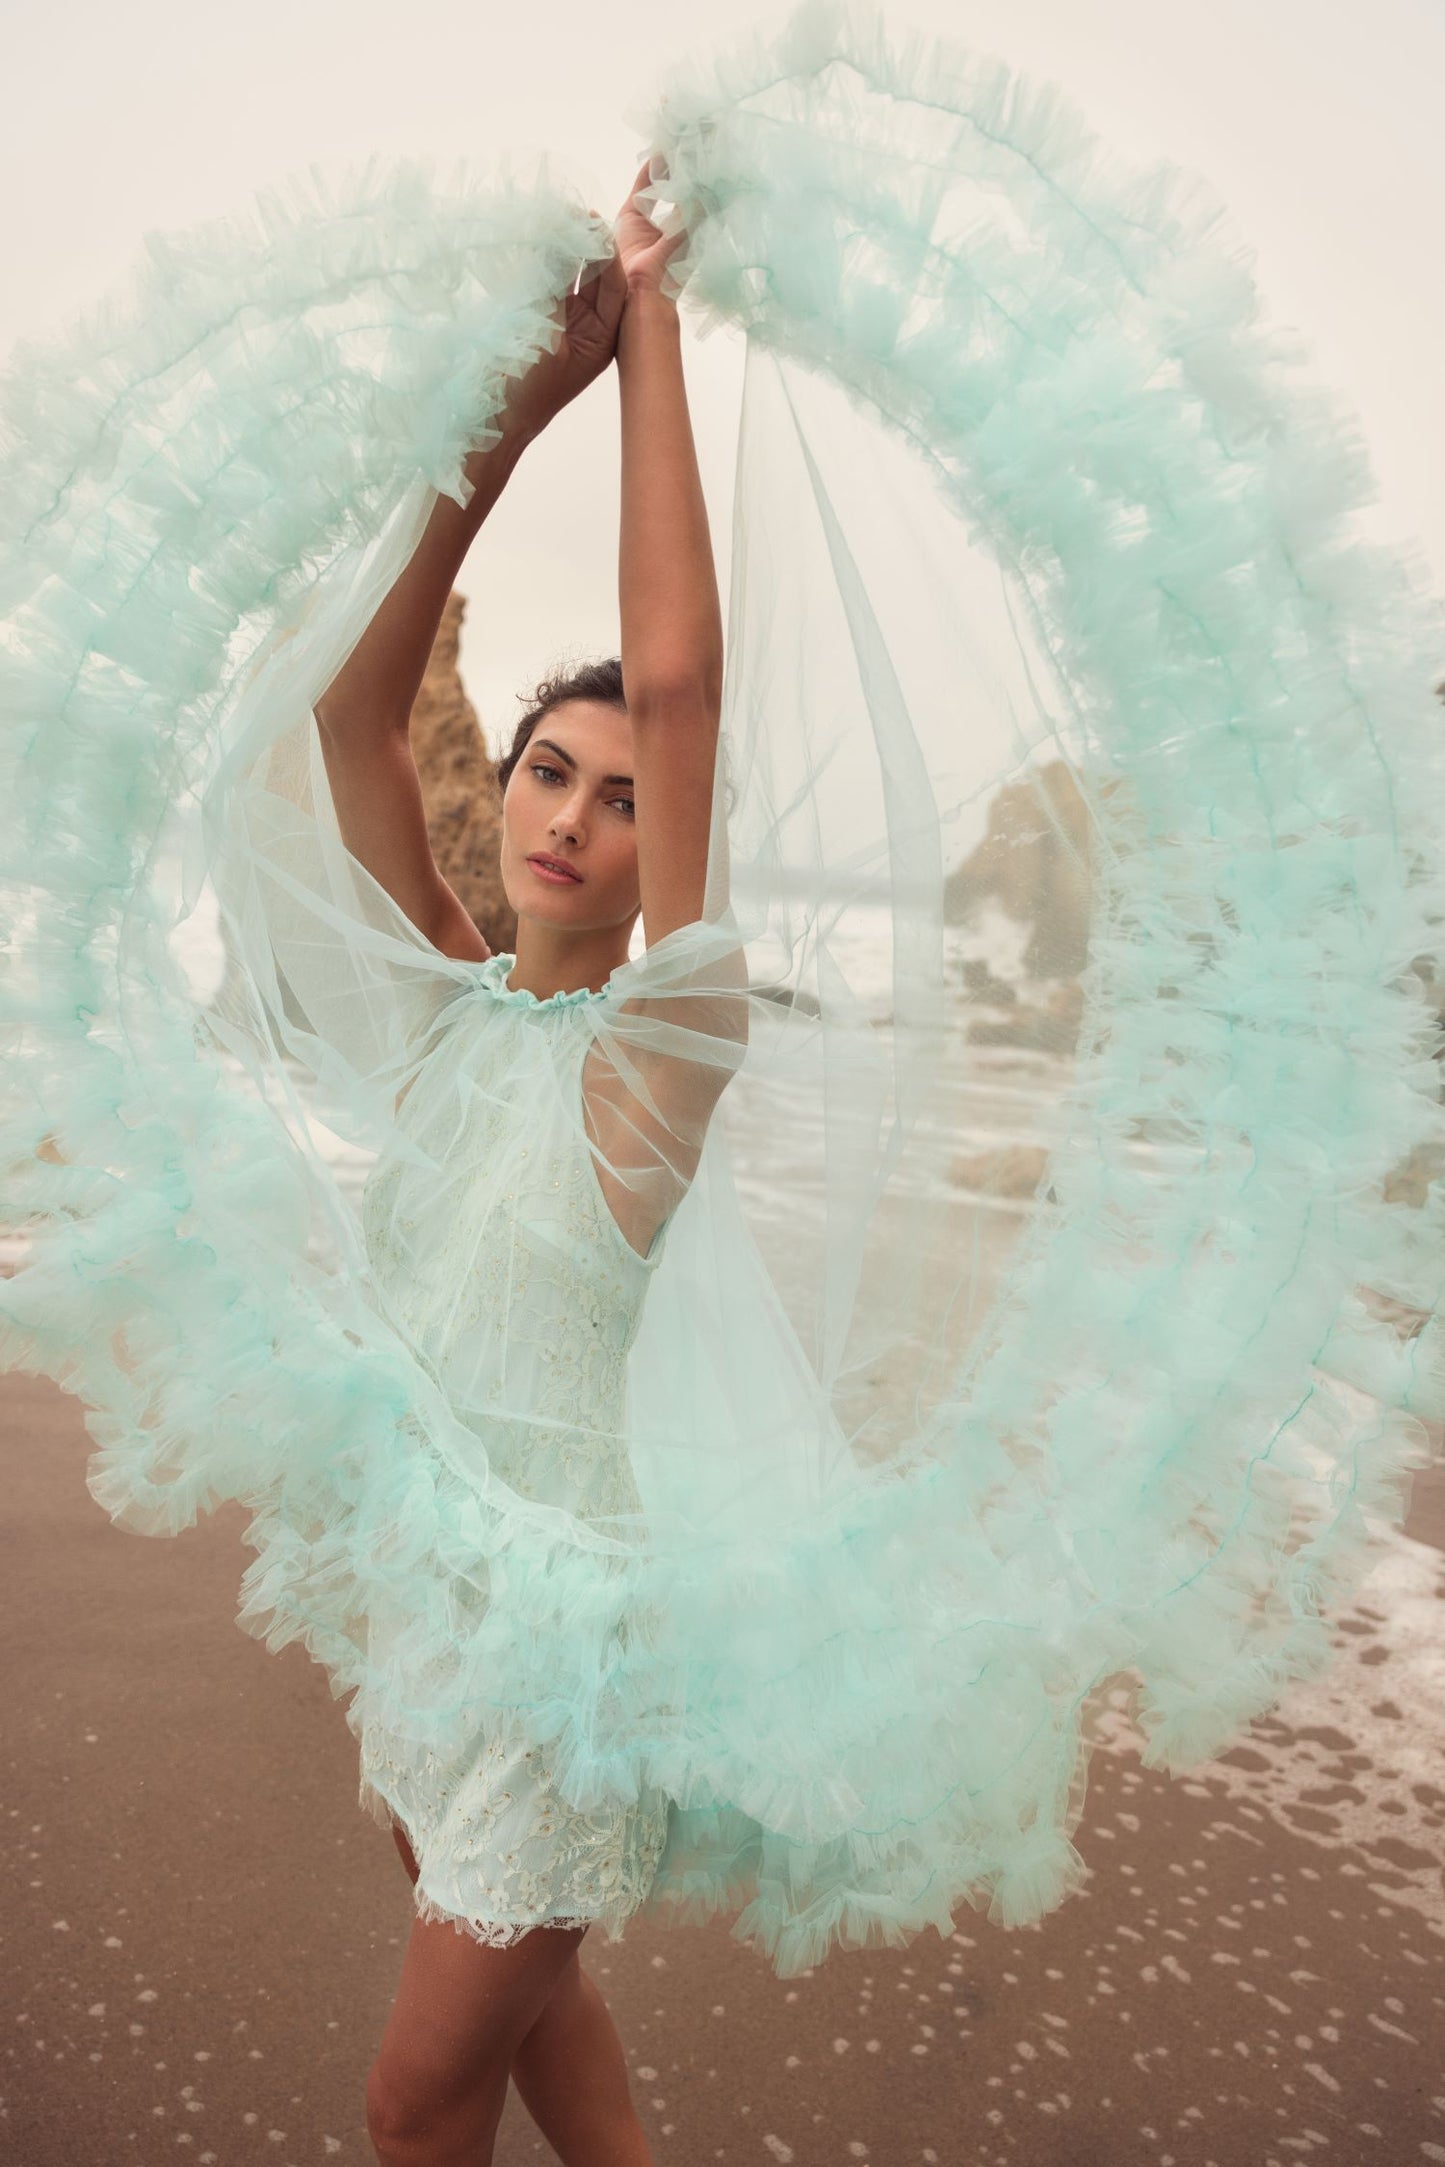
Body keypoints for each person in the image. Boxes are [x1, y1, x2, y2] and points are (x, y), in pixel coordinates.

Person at [307, 163, 716, 2166]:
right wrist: (513, 404)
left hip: (572, 1665)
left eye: (627, 801)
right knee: (541, 2028)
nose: (571, 813)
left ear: (660, 861)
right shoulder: (450, 1008)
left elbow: (684, 667)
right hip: (419, 1615)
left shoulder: (666, 1058)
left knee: (414, 2089)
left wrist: (647, 350)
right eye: (556, 766)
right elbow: (354, 714)